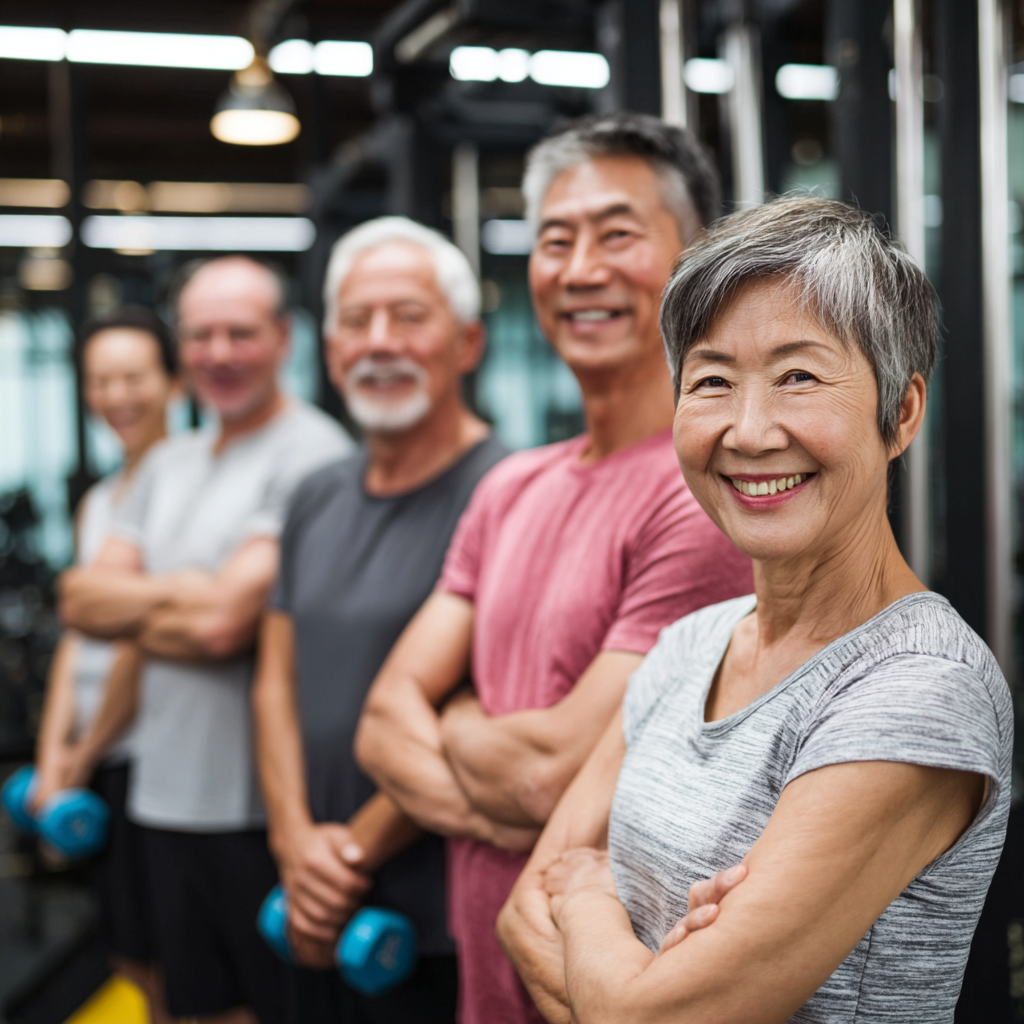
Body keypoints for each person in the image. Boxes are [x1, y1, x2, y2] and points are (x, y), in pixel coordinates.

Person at [498, 197, 1012, 1024]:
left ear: (902, 412)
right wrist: (635, 974)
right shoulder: (689, 644)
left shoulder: (921, 688)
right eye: (711, 381)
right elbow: (520, 915)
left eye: (798, 376)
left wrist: (590, 892)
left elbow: (647, 1013)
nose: (748, 429)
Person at [355, 112, 753, 1024]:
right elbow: (380, 721)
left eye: (617, 234)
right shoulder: (509, 486)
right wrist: (498, 761)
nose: (580, 270)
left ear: (693, 257)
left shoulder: (706, 494)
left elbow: (546, 775)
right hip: (489, 983)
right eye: (554, 240)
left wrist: (454, 714)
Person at [58, 256, 354, 1024]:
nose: (219, 353)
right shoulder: (166, 463)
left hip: (257, 810)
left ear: (285, 338)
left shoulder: (312, 456)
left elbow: (224, 626)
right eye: (201, 335)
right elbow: (83, 601)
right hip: (162, 798)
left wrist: (175, 603)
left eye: (240, 333)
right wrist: (194, 592)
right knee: (185, 1007)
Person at [252, 217, 509, 1024]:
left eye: (408, 315)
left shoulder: (510, 494)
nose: (379, 341)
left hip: (429, 917)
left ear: (467, 343)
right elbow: (275, 680)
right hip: (309, 893)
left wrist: (348, 856)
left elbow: (492, 712)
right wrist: (295, 842)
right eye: (356, 322)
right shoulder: (316, 494)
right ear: (330, 355)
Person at [34, 308, 179, 1024]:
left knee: (169, 961)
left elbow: (140, 643)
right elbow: (78, 637)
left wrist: (82, 757)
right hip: (96, 758)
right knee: (125, 950)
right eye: (101, 380)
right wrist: (53, 751)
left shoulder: (184, 491)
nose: (116, 394)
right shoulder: (97, 504)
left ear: (172, 383)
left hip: (150, 759)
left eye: (133, 376)